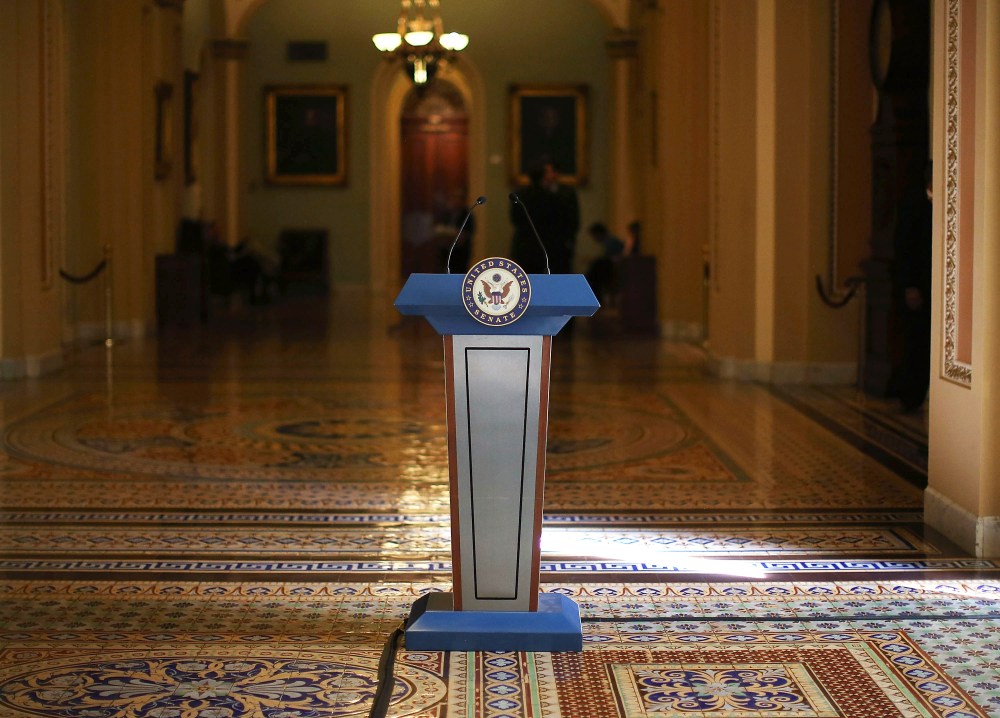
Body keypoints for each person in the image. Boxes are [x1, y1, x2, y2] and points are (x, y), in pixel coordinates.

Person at [889, 163, 933, 413]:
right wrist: (910, 286)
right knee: (915, 341)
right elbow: (904, 250)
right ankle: (911, 394)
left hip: (935, 286)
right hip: (916, 286)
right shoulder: (912, 205)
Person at [584, 222, 624, 302]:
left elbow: (611, 258)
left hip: (613, 269)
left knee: (594, 274)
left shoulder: (610, 242)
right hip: (612, 268)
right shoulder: (609, 242)